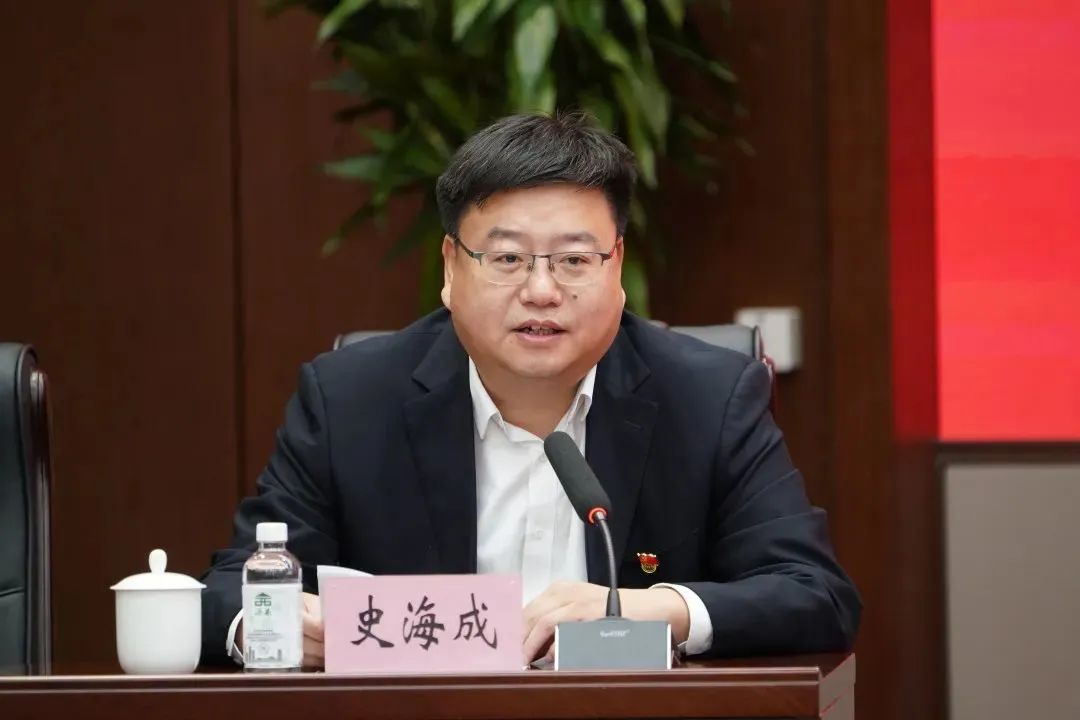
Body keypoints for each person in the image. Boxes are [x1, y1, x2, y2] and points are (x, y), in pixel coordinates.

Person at [200, 112, 861, 667]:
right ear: (451, 267)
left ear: (618, 266)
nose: (541, 290)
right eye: (508, 258)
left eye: (574, 259)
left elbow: (817, 596)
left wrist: (647, 610)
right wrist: (275, 625)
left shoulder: (708, 397)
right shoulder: (351, 399)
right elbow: (229, 590)